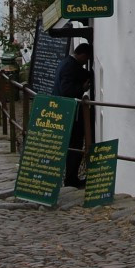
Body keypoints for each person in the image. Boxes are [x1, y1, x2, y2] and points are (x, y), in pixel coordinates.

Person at [51, 44, 92, 188]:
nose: (86, 61)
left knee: (72, 145)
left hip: (64, 111)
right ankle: (71, 179)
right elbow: (66, 90)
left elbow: (79, 73)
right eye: (86, 58)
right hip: (70, 113)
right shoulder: (70, 66)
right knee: (74, 144)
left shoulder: (66, 62)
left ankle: (71, 178)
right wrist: (82, 88)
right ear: (82, 55)